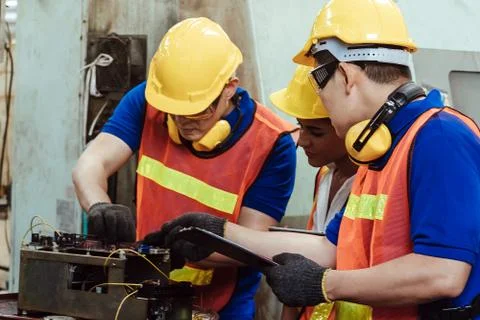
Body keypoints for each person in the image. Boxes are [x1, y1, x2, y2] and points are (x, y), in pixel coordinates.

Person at [144, 1, 480, 319]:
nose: (321, 101)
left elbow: (442, 272)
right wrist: (219, 233)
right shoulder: (377, 150)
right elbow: (331, 249)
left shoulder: (439, 137)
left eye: (319, 85)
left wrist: (325, 285)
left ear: (347, 76)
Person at [72, 17, 297, 319]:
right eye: (174, 112)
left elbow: (251, 243)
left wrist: (187, 245)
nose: (182, 122)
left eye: (197, 111)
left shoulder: (272, 144)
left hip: (221, 306)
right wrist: (99, 205)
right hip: (141, 293)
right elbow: (91, 163)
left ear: (230, 88)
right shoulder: (148, 101)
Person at [270, 65, 357, 320]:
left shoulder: (372, 183)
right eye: (301, 127)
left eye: (316, 132)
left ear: (348, 126)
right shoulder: (324, 177)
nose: (302, 140)